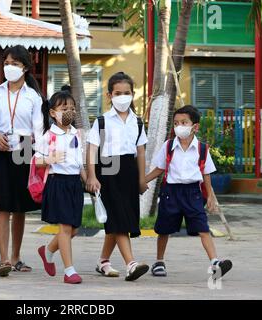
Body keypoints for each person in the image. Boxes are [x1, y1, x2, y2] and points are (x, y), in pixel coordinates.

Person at [145, 105, 233, 279]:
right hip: (171, 192)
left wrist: (210, 197)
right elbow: (159, 169)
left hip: (193, 193)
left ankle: (215, 262)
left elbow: (205, 173)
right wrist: (142, 182)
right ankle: (159, 261)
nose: (179, 126)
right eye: (176, 123)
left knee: (203, 228)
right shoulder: (169, 146)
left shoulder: (202, 149)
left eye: (184, 122)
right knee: (164, 229)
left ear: (195, 126)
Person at [0, 45, 44, 277]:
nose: (10, 67)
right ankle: (3, 259)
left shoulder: (33, 96)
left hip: (25, 150)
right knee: (2, 206)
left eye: (15, 64)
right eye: (7, 63)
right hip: (0, 150)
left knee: (19, 208)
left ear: (26, 68)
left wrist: (38, 156)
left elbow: (38, 131)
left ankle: (17, 256)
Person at [86, 72, 150, 281]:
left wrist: (142, 179)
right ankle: (131, 264)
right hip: (107, 172)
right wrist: (92, 177)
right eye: (118, 93)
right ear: (109, 95)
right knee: (119, 219)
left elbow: (140, 152)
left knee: (118, 219)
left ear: (133, 94)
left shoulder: (137, 122)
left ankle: (103, 261)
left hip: (129, 173)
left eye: (127, 93)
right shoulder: (102, 122)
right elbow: (92, 150)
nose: (123, 97)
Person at [36, 91, 87, 284]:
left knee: (73, 229)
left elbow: (79, 163)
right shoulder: (48, 135)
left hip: (74, 184)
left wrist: (88, 180)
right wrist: (50, 159)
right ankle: (69, 271)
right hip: (58, 183)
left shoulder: (76, 134)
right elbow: (35, 161)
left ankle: (47, 251)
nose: (69, 112)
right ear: (52, 112)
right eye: (64, 108)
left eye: (72, 108)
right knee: (65, 228)